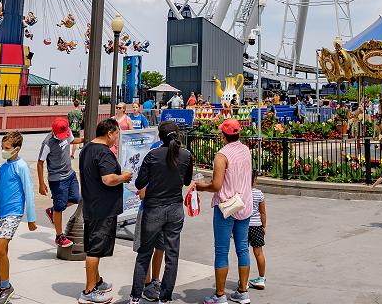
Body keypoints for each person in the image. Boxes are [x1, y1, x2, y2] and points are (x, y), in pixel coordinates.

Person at [130, 121, 193, 304]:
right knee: (172, 255)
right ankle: (165, 298)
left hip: (154, 208)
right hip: (175, 208)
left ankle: (135, 297)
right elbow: (187, 181)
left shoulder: (152, 155)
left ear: (159, 137)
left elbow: (139, 183)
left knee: (144, 253)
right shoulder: (186, 155)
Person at [195, 118, 253, 304]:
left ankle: (220, 295)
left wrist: (200, 187)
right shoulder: (245, 150)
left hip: (226, 207)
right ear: (238, 133)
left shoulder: (222, 156)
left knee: (221, 251)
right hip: (244, 204)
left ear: (223, 135)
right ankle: (243, 291)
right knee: (243, 248)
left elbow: (216, 185)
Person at [78, 119, 133, 304]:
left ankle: (97, 281)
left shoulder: (87, 148)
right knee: (95, 250)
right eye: (117, 134)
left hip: (92, 204)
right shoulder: (104, 153)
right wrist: (123, 177)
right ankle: (89, 291)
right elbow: (108, 179)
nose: (117, 138)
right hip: (103, 208)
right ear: (110, 133)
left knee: (95, 247)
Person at [0, 131, 37, 304]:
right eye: (2, 148)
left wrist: (31, 218)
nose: (3, 151)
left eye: (6, 148)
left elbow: (29, 191)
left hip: (14, 213)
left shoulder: (22, 166)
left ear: (17, 149)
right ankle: (3, 288)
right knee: (1, 253)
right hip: (0, 214)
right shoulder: (2, 168)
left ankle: (6, 288)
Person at [38, 117, 83, 248]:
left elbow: (73, 140)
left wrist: (86, 139)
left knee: (76, 198)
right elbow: (40, 163)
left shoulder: (67, 131)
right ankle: (59, 236)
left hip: (70, 173)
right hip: (57, 179)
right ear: (53, 131)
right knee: (60, 207)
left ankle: (52, 211)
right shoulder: (47, 143)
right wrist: (41, 183)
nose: (63, 137)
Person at [247, 171, 267, 290]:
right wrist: (264, 226)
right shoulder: (259, 194)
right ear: (255, 179)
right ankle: (261, 278)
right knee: (259, 253)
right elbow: (262, 212)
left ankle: (244, 281)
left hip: (243, 226)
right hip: (257, 226)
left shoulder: (241, 193)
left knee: (243, 253)